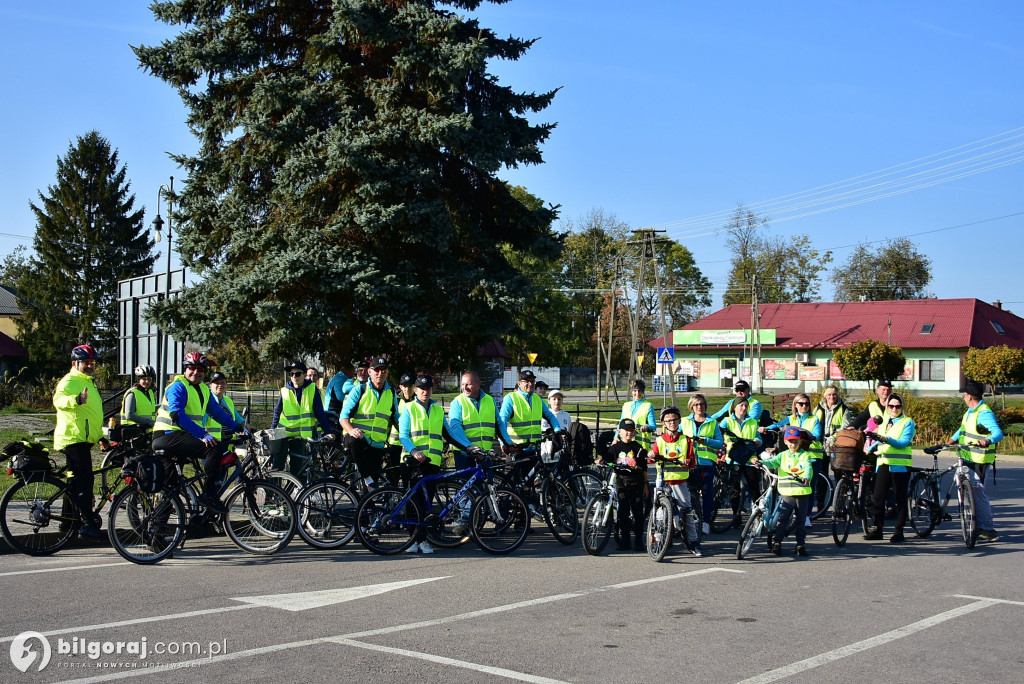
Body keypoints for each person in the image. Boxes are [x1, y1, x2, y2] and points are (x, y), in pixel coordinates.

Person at [152, 352, 245, 514]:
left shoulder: (203, 389)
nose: (196, 372)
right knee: (213, 449)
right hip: (166, 435)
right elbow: (177, 415)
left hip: (183, 436)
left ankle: (161, 530)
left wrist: (239, 428)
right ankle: (208, 495)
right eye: (192, 368)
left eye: (201, 369)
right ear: (185, 369)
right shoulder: (178, 386)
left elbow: (218, 413)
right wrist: (203, 434)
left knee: (171, 488)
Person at [399, 374, 474, 554]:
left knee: (426, 503)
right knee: (413, 502)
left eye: (428, 389)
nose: (425, 392)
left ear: (432, 390)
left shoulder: (438, 410)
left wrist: (467, 447)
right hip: (412, 461)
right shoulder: (408, 409)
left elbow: (449, 435)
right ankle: (412, 541)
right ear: (416, 390)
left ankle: (423, 539)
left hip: (432, 462)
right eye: (421, 389)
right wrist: (414, 451)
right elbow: (403, 435)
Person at [52, 344, 110, 538]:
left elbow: (89, 415)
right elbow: (58, 400)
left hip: (82, 437)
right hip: (73, 437)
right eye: (86, 362)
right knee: (84, 481)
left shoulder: (88, 381)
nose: (90, 366)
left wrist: (100, 437)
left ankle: (68, 524)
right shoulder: (70, 380)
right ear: (75, 363)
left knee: (74, 482)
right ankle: (88, 525)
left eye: (92, 362)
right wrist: (75, 399)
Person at [948, 379, 1004, 542]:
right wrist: (952, 440)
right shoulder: (971, 412)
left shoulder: (984, 413)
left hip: (979, 459)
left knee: (978, 495)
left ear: (969, 396)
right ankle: (977, 525)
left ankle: (988, 529)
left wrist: (988, 440)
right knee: (966, 489)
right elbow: (963, 429)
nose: (964, 397)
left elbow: (998, 433)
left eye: (965, 394)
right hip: (967, 456)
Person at [448, 371, 500, 534]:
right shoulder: (458, 402)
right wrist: (469, 447)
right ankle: (462, 522)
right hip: (464, 453)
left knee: (486, 487)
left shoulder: (489, 401)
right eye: (462, 384)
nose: (465, 387)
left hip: (484, 453)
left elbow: (498, 424)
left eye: (468, 384)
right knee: (465, 488)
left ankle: (480, 519)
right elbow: (455, 427)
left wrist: (507, 442)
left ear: (478, 384)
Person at [762, 393, 823, 527]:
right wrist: (766, 428)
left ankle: (806, 515)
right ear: (795, 405)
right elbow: (778, 425)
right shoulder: (792, 418)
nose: (804, 406)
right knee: (790, 484)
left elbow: (817, 434)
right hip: (795, 456)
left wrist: (810, 436)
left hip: (812, 457)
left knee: (808, 486)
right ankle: (788, 513)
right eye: (801, 404)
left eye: (806, 404)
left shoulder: (814, 419)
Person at [648, 406, 702, 556]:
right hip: (663, 480)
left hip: (679, 481)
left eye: (674, 419)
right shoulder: (659, 440)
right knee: (659, 514)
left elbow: (692, 461)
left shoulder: (686, 440)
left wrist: (687, 461)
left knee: (687, 511)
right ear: (664, 423)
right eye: (668, 420)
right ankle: (658, 540)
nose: (672, 422)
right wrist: (652, 454)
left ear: (679, 421)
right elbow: (652, 458)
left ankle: (693, 542)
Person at [863, 392, 916, 542]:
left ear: (902, 407)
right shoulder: (885, 421)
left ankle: (899, 531)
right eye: (891, 406)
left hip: (900, 466)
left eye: (897, 406)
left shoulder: (907, 422)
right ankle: (877, 529)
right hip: (884, 463)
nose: (894, 409)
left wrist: (886, 439)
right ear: (887, 406)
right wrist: (871, 447)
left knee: (900, 498)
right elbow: (880, 439)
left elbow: (903, 442)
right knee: (878, 498)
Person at [753, 426, 812, 557]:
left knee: (800, 520)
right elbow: (772, 462)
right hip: (787, 492)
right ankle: (777, 542)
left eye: (796, 441)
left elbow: (807, 467)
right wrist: (760, 462)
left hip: (801, 492)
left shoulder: (805, 455)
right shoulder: (783, 455)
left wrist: (806, 477)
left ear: (800, 442)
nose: (793, 444)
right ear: (785, 442)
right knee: (782, 519)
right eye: (790, 441)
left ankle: (800, 544)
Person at [340, 356, 397, 489]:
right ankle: (366, 477)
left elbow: (396, 419)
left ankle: (367, 506)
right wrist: (351, 430)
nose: (380, 374)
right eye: (377, 370)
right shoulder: (359, 390)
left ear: (387, 373)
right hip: (356, 438)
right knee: (356, 440)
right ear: (370, 372)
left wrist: (408, 437)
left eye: (383, 371)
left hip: (377, 443)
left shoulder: (391, 393)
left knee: (371, 492)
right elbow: (343, 417)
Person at [271, 360, 336, 475]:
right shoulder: (284, 391)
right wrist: (272, 430)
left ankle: (295, 491)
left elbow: (319, 412)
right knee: (278, 464)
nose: (294, 377)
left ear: (304, 375)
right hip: (284, 433)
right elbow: (277, 411)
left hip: (301, 436)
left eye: (297, 374)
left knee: (297, 467)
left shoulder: (312, 389)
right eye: (291, 374)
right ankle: (271, 491)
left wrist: (328, 431)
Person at [681, 393, 724, 535]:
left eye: (702, 404)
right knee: (688, 493)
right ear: (692, 407)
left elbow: (720, 443)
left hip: (707, 463)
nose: (699, 407)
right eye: (696, 405)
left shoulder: (712, 422)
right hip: (690, 462)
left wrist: (706, 441)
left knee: (706, 493)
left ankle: (706, 522)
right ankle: (689, 521)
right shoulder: (685, 422)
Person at [605, 419, 648, 552]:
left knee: (638, 513)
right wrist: (600, 459)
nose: (628, 433)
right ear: (620, 432)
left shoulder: (638, 448)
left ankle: (639, 540)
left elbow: (644, 468)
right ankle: (625, 541)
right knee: (622, 512)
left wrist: (646, 485)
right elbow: (606, 458)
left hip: (637, 483)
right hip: (622, 483)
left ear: (634, 432)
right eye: (626, 430)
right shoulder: (615, 448)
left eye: (631, 430)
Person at [497, 369, 563, 452]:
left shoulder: (537, 399)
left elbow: (550, 416)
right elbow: (502, 422)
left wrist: (557, 430)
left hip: (536, 448)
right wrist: (505, 442)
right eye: (526, 381)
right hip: (517, 449)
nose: (530, 384)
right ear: (519, 383)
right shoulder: (511, 398)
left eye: (532, 381)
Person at [718, 395, 763, 507]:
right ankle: (736, 517)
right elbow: (718, 434)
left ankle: (756, 513)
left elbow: (759, 438)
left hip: (749, 459)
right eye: (741, 405)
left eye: (746, 406)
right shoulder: (727, 421)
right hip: (733, 458)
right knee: (734, 490)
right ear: (735, 407)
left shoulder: (752, 422)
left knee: (754, 488)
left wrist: (757, 441)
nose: (744, 408)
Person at [205, 371, 243, 449]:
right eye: (216, 383)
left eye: (222, 382)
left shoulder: (228, 400)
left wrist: (248, 427)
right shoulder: (207, 401)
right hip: (212, 444)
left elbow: (238, 418)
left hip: (229, 443)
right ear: (210, 385)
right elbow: (201, 423)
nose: (220, 385)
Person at [387, 372, 418, 464]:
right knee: (393, 471)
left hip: (412, 442)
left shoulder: (419, 401)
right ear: (400, 387)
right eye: (405, 386)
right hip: (395, 443)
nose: (407, 389)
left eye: (410, 386)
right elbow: (388, 420)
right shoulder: (395, 400)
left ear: (415, 387)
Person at [620, 379, 656, 451]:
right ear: (631, 391)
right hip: (625, 442)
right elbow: (620, 424)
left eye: (640, 391)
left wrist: (647, 426)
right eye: (635, 391)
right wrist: (616, 438)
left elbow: (653, 426)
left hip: (640, 445)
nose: (637, 393)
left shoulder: (648, 406)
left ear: (643, 392)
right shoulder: (626, 405)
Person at [121, 365, 158, 429]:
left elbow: (149, 409)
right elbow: (129, 415)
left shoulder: (149, 392)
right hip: (133, 431)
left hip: (146, 430)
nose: (147, 381)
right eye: (144, 379)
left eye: (149, 379)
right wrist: (149, 422)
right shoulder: (132, 393)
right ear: (138, 379)